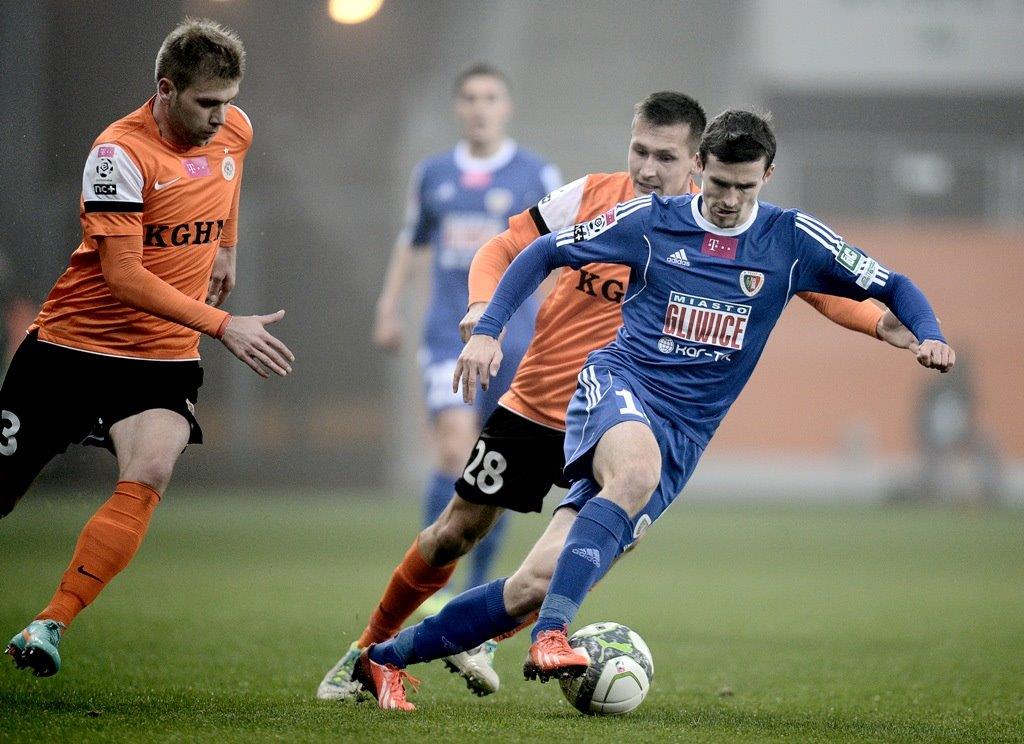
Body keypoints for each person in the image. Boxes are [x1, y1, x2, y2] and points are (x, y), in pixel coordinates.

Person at [318, 94, 919, 706]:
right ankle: (367, 649)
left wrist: (882, 324)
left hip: (639, 421)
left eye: (665, 157)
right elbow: (507, 248)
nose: (647, 168)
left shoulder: (727, 228)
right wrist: (482, 312)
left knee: (567, 562)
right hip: (542, 405)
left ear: (696, 163)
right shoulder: (593, 199)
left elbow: (813, 286)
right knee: (454, 532)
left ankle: (488, 637)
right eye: (639, 151)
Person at [2, 18, 294, 678]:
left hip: (161, 357)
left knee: (151, 471)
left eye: (229, 101)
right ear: (166, 90)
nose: (221, 117)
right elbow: (123, 276)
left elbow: (229, 174)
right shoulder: (118, 154)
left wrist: (226, 247)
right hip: (72, 349)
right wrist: (223, 325)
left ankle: (51, 622)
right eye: (206, 103)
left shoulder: (234, 129)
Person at [372, 66, 561, 606]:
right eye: (471, 98)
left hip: (517, 342)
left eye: (491, 97)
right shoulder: (432, 174)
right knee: (455, 449)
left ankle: (475, 582)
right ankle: (440, 581)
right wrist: (388, 307)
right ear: (458, 107)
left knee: (497, 465)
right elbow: (411, 242)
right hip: (447, 336)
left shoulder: (537, 175)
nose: (480, 107)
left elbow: (566, 251)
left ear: (507, 107)